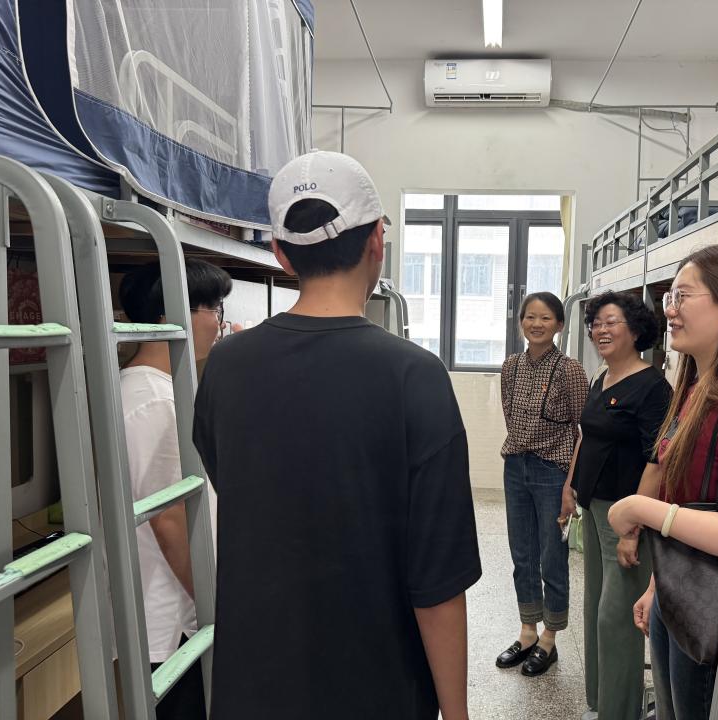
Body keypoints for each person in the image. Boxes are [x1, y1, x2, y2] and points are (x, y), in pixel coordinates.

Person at [192, 150, 482, 720]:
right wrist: (457, 713)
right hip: (377, 687)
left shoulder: (225, 365)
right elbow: (437, 580)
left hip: (255, 685)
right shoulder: (415, 375)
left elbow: (236, 484)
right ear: (378, 240)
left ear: (280, 252)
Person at [607, 244, 718, 720]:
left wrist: (642, 509)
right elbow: (687, 499)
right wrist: (657, 586)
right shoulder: (693, 391)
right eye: (670, 297)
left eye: (683, 296)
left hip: (715, 604)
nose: (669, 310)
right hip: (680, 591)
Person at [119, 258, 233, 720]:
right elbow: (168, 521)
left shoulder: (158, 390)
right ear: (169, 316)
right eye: (212, 307)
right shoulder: (153, 402)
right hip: (171, 619)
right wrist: (216, 609)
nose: (219, 321)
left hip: (174, 611)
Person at [564, 291, 671, 720]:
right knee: (594, 609)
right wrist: (570, 486)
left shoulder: (652, 387)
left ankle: (620, 712)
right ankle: (599, 703)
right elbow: (586, 436)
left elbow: (657, 459)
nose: (600, 331)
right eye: (596, 324)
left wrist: (633, 528)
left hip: (626, 515)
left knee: (617, 618)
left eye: (611, 323)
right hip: (593, 507)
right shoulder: (601, 377)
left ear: (636, 330)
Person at [496, 292, 588, 676]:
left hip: (553, 472)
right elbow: (510, 415)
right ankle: (528, 630)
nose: (536, 324)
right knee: (522, 553)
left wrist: (570, 486)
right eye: (530, 317)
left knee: (552, 556)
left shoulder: (569, 370)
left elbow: (583, 431)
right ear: (521, 321)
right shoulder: (511, 367)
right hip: (516, 467)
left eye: (546, 318)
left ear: (559, 325)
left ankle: (549, 638)